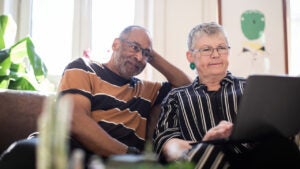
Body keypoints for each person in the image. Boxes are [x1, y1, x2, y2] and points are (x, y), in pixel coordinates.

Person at [0, 25, 191, 168]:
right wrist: (129, 154)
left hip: (114, 163)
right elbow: (75, 121)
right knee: (24, 152)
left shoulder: (147, 89)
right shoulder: (83, 68)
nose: (140, 57)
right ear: (116, 44)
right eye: (134, 47)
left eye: (145, 54)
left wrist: (150, 53)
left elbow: (185, 85)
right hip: (70, 147)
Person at [153, 22, 300, 169]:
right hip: (206, 159)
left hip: (255, 159)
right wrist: (206, 142)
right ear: (190, 56)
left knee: (279, 144)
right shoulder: (176, 97)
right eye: (206, 49)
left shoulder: (251, 87)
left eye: (221, 48)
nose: (216, 55)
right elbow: (167, 145)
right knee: (209, 152)